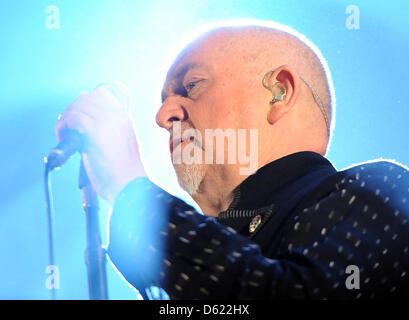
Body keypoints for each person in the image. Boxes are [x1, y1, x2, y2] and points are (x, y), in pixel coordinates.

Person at [56, 21, 409, 299]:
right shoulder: (200, 257)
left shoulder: (380, 188)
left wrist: (133, 191)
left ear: (279, 92)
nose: (163, 115)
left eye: (191, 85)